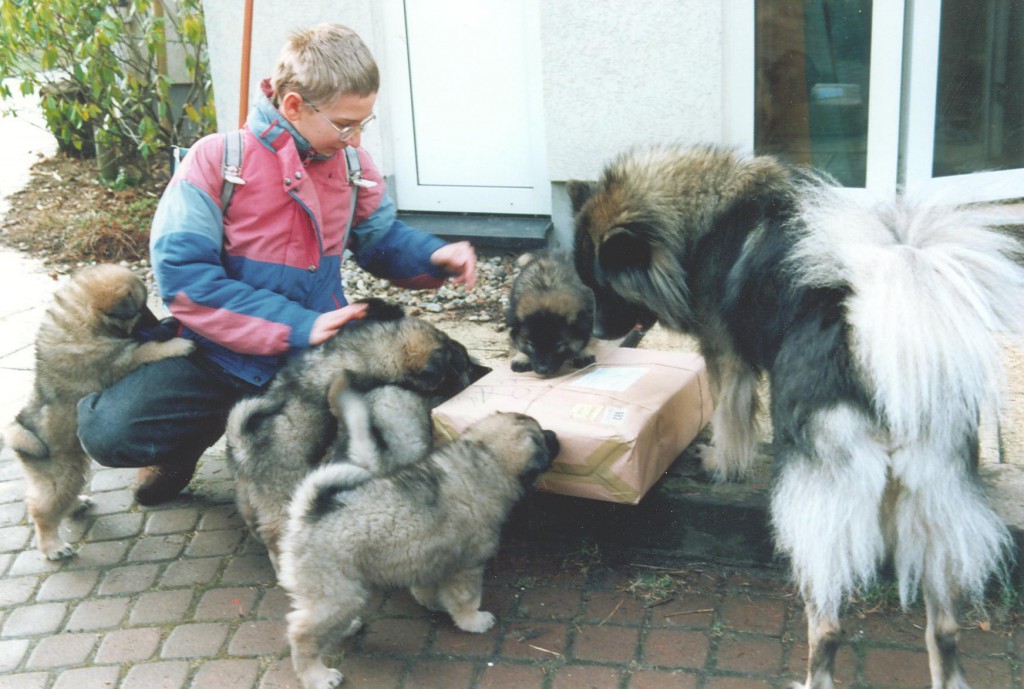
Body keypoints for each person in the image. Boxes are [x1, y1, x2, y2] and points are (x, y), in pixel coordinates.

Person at [77, 23, 477, 505]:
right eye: (344, 124)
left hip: (315, 353)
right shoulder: (215, 161)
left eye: (363, 123)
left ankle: (293, 441)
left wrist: (432, 256)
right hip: (215, 355)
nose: (355, 139)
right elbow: (186, 283)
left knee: (395, 423)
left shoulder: (354, 166)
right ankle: (184, 443)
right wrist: (297, 325)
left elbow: (382, 240)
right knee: (109, 431)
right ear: (293, 105)